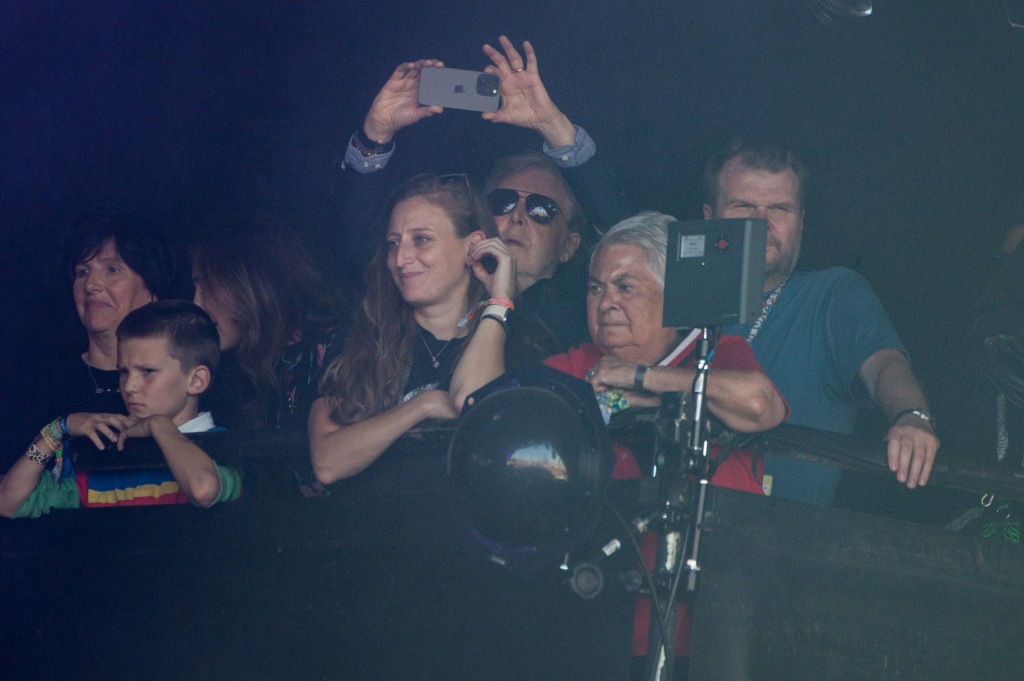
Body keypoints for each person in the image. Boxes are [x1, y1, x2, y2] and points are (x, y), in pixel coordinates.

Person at [543, 211, 788, 672]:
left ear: (669, 295)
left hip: (716, 629)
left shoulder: (716, 352)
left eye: (625, 286)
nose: (607, 302)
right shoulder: (580, 364)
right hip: (602, 621)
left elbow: (762, 406)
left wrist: (644, 378)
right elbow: (487, 402)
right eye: (596, 288)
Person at [336, 36, 632, 360]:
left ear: (570, 245)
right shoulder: (442, 293)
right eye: (503, 202)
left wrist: (551, 125)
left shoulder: (587, 313)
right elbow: (366, 249)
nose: (518, 215)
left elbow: (633, 240)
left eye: (541, 209)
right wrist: (375, 135)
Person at [705, 137, 940, 505]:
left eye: (779, 208)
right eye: (743, 205)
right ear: (710, 217)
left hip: (776, 550)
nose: (761, 222)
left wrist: (911, 416)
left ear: (800, 221)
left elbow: (884, 366)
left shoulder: (832, 294)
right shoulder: (670, 299)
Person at [310, 174, 515, 484]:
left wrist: (498, 303)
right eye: (394, 243)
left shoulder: (513, 335)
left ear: (473, 246)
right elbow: (327, 463)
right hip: (376, 526)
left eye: (420, 239)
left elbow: (471, 401)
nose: (400, 259)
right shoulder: (364, 337)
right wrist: (425, 404)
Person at [0, 301, 242, 518]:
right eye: (124, 371)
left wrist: (159, 425)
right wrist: (56, 429)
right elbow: (7, 503)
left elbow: (203, 489)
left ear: (196, 380)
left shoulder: (230, 450)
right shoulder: (103, 455)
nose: (129, 386)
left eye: (147, 371)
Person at [14, 210, 188, 449]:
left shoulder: (182, 378)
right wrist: (59, 428)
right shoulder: (42, 387)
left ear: (152, 290)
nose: (91, 285)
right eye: (82, 272)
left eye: (112, 270)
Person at [190, 215, 350, 432]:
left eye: (208, 288)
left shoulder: (337, 348)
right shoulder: (224, 368)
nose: (197, 304)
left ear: (251, 285)